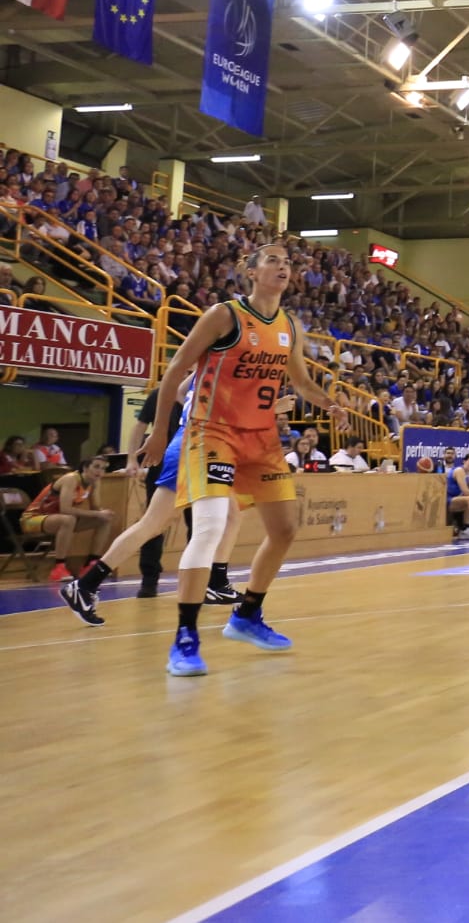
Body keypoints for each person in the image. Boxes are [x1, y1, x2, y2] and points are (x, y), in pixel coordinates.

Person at [137, 240, 340, 677]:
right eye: (273, 260)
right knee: (209, 528)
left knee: (285, 529)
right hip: (213, 432)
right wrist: (158, 430)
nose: (283, 268)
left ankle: (246, 615)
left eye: (288, 263)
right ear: (250, 270)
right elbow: (175, 372)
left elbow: (300, 381)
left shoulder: (289, 325)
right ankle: (185, 639)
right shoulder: (224, 315)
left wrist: (327, 403)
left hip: (261, 436)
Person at [61, 383, 242, 625]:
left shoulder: (219, 368)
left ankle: (216, 582)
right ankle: (87, 584)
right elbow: (174, 390)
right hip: (195, 447)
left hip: (203, 447)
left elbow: (179, 392)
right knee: (152, 525)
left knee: (228, 516)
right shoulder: (215, 359)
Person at [19, 455, 114, 583]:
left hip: (58, 519)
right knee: (68, 519)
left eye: (103, 468)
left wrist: (102, 512)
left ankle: (91, 564)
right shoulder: (71, 479)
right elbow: (66, 509)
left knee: (105, 520)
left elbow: (95, 508)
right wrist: (97, 514)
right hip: (31, 519)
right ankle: (59, 568)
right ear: (85, 468)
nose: (100, 471)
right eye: (96, 467)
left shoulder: (94, 482)